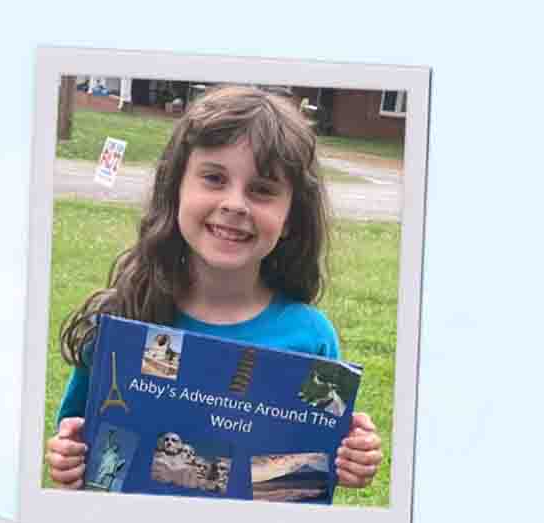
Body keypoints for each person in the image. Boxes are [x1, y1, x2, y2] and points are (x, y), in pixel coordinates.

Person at [45, 86, 385, 496]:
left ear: (291, 216)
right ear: (176, 189)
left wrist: (351, 456)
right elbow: (79, 448)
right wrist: (68, 462)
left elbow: (306, 471)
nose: (235, 203)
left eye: (261, 189)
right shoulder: (125, 316)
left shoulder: (310, 338)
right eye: (213, 178)